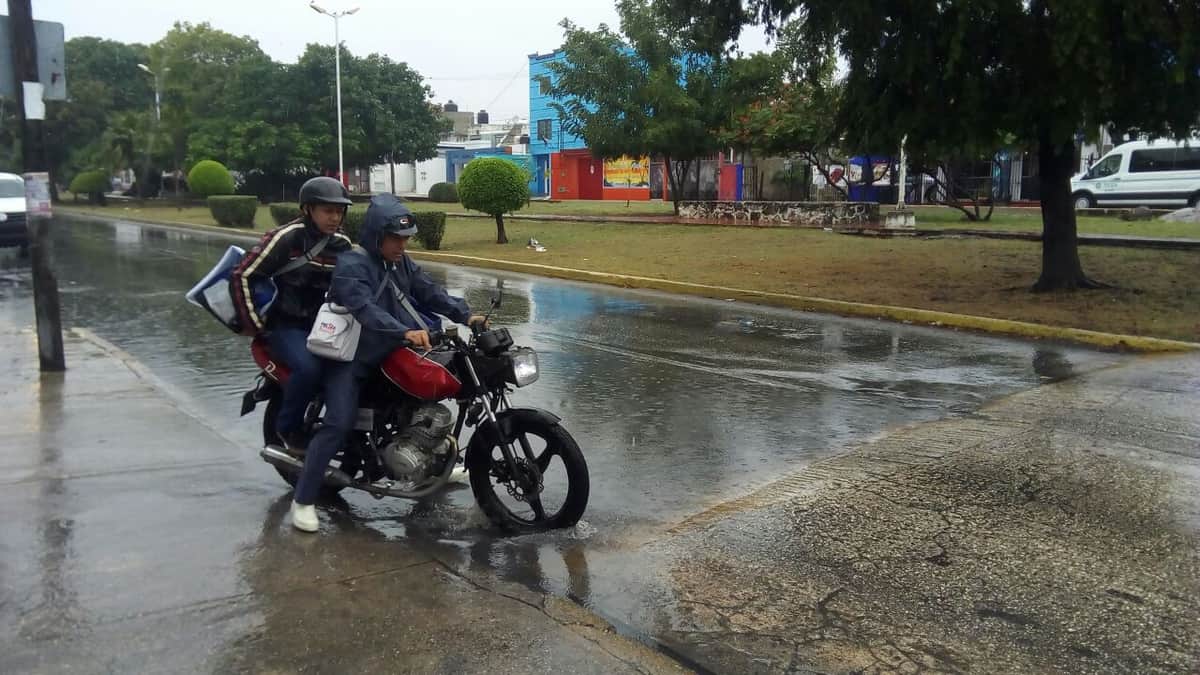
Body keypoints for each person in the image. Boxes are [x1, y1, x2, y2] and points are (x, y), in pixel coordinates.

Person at [289, 194, 487, 532]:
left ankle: (428, 464)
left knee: (427, 396)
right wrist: (404, 331)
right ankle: (304, 499)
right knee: (338, 421)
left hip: (391, 351)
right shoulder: (352, 265)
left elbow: (429, 291)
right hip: (353, 357)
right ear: (376, 235)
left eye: (405, 238)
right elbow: (364, 308)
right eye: (395, 238)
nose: (401, 245)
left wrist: (466, 315)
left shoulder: (400, 262)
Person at [231, 176, 353, 453]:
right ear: (308, 209)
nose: (335, 218)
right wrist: (255, 325)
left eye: (339, 211)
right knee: (309, 370)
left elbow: (354, 285)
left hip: (324, 325)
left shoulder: (342, 243)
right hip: (286, 325)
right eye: (328, 211)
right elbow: (243, 275)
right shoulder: (286, 238)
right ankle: (288, 429)